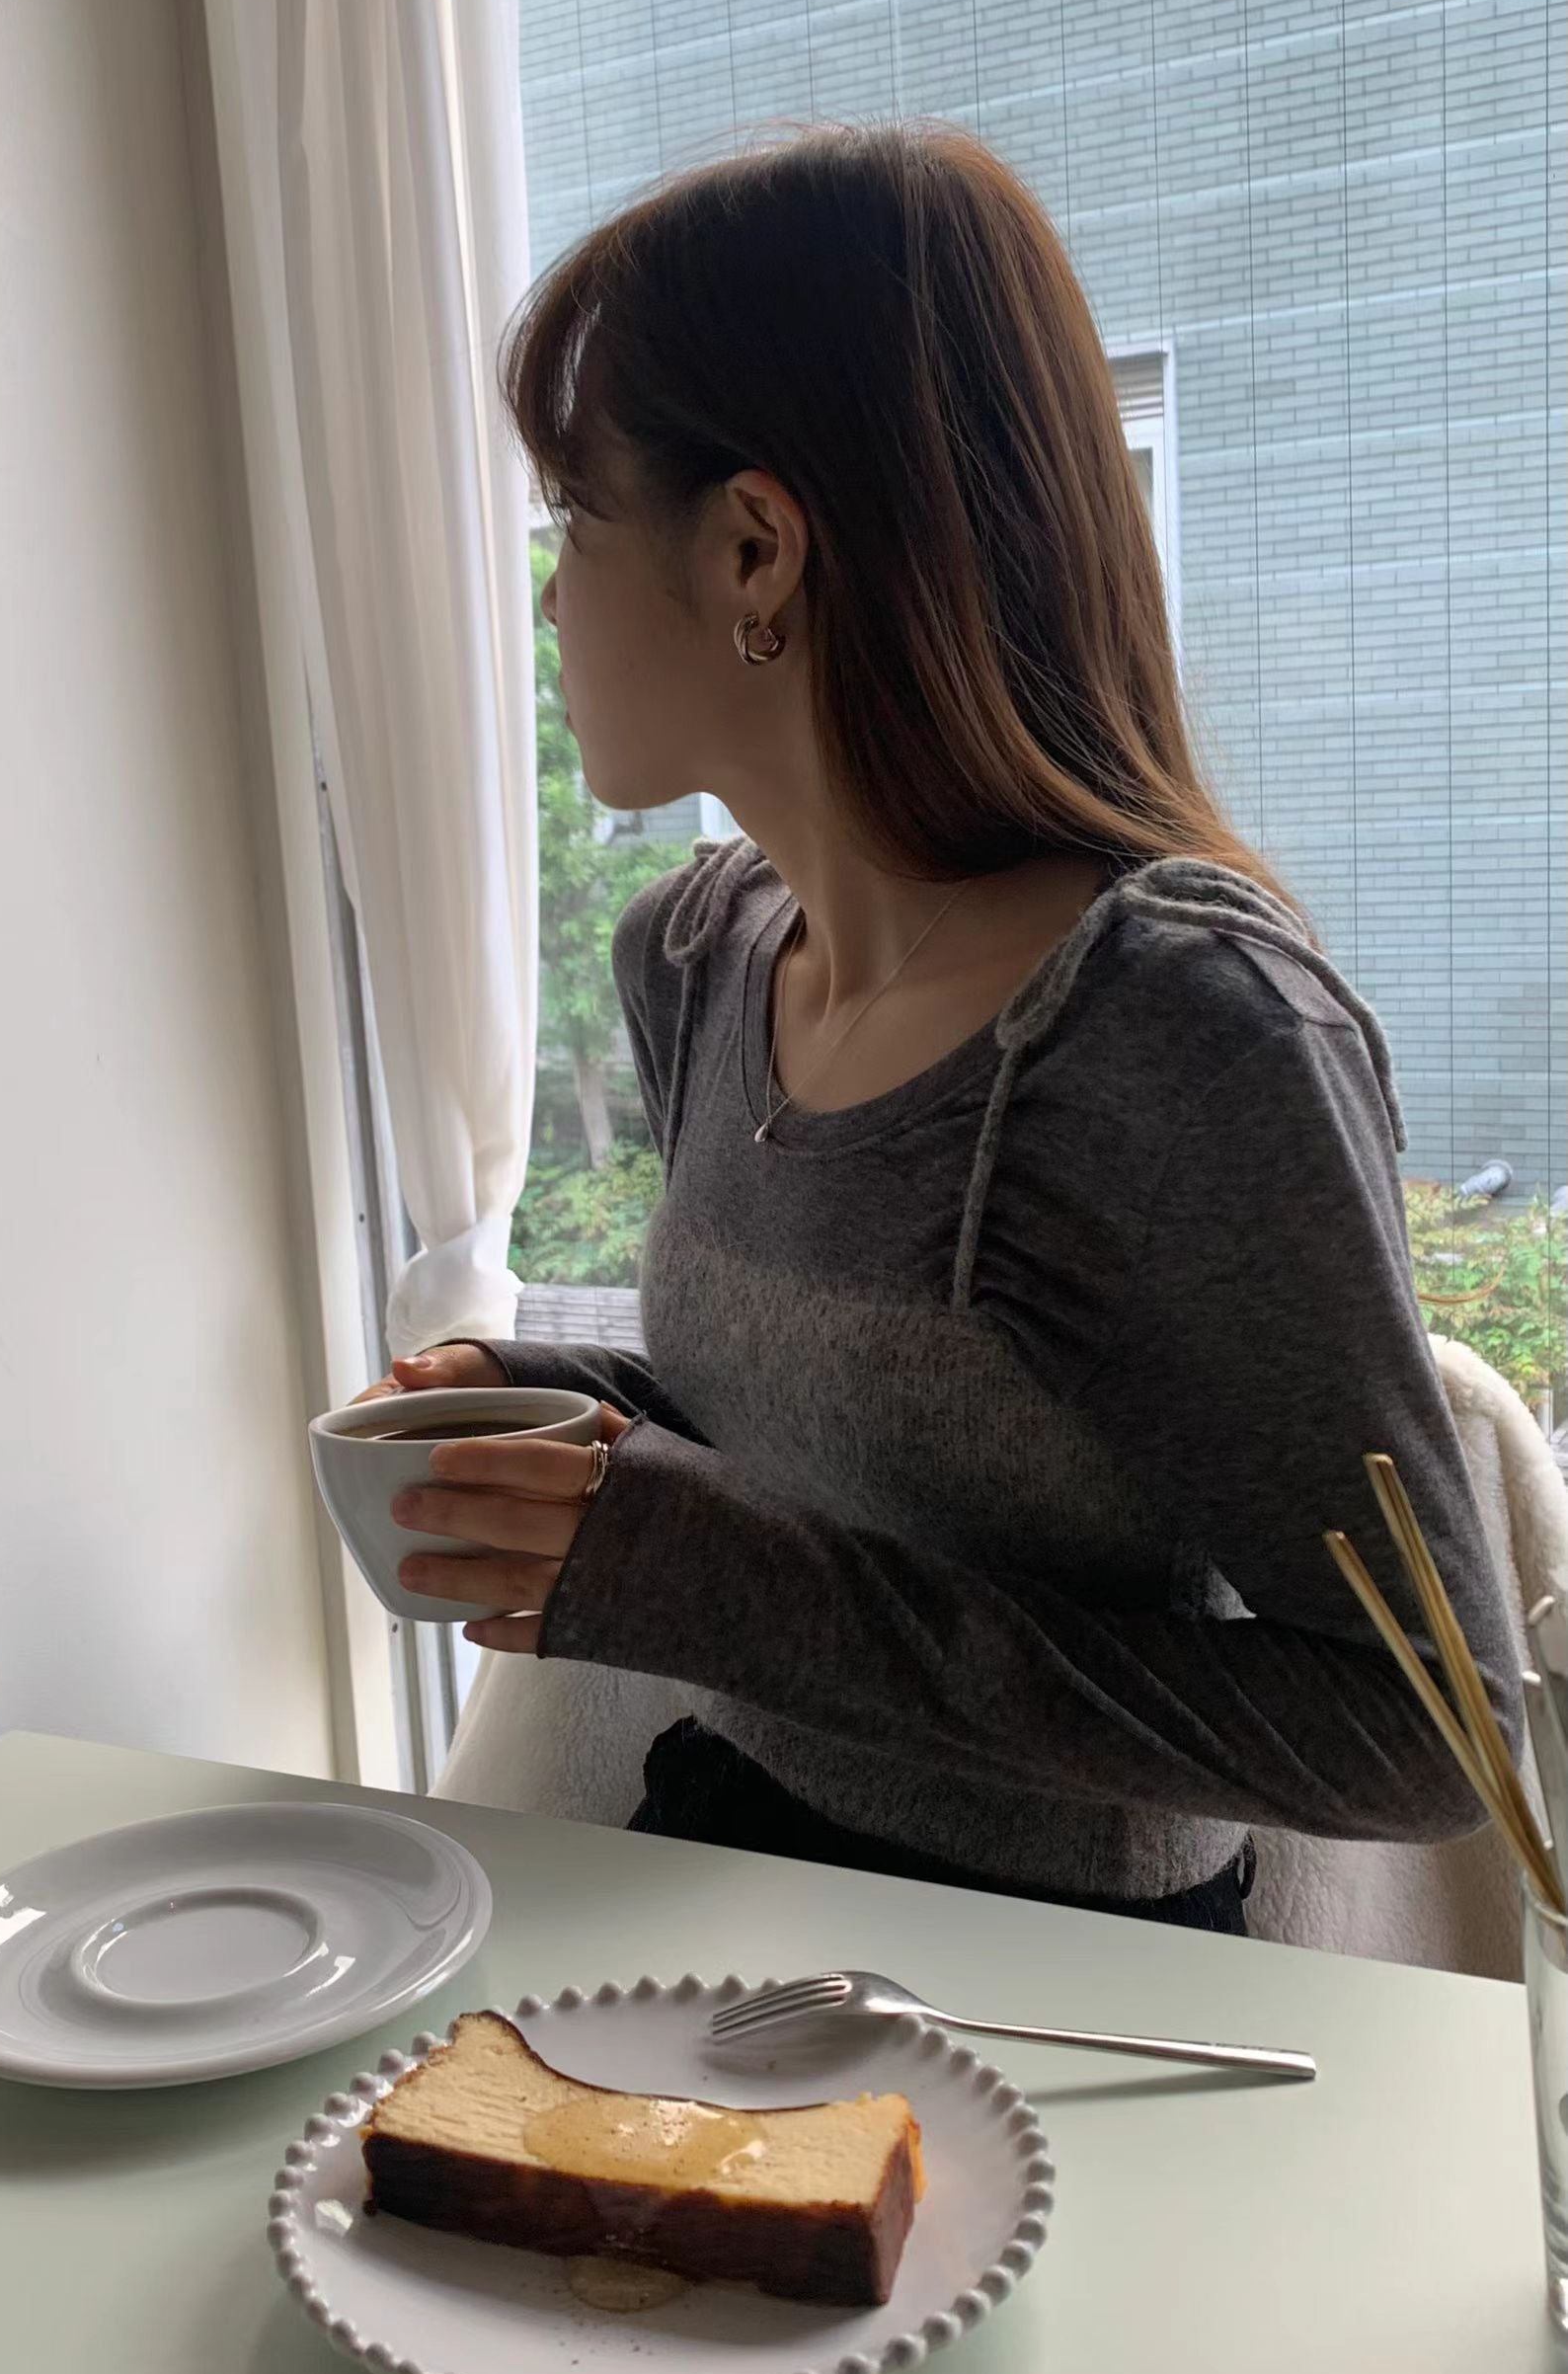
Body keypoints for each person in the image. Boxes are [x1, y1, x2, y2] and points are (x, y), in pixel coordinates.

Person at [362, 124, 1518, 1934]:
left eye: (573, 518)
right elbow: (850, 1462)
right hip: (718, 1870)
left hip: (1065, 1986)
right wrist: (576, 1417)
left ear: (754, 548)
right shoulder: (695, 957)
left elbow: (1426, 1735)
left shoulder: (1170, 1035)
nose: (550, 594)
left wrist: (715, 1577)